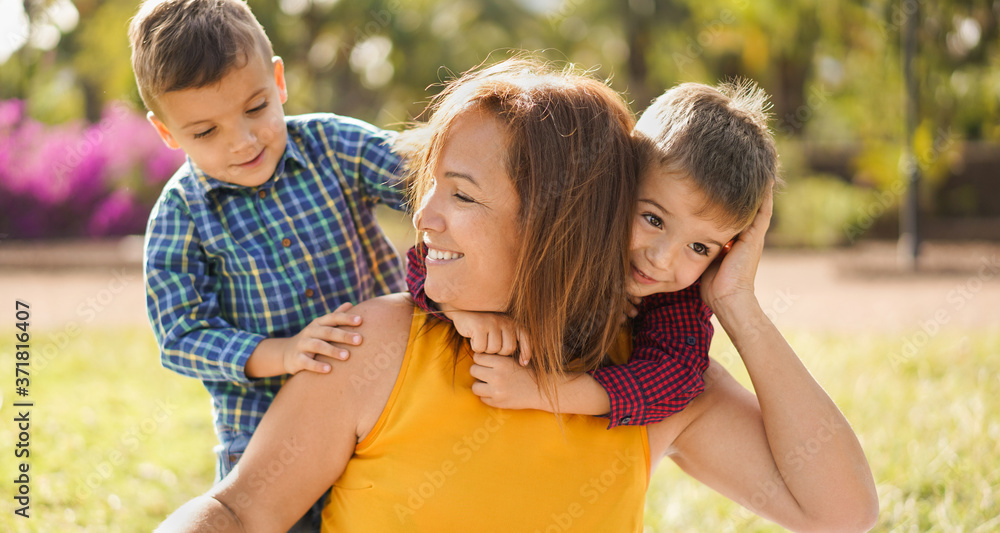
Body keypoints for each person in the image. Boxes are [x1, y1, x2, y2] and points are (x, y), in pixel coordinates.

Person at [157, 58, 878, 532]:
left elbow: (842, 514)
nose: (425, 215)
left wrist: (739, 305)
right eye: (431, 186)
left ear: (556, 219)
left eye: (462, 195)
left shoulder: (656, 384)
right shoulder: (377, 343)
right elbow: (238, 511)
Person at [130, 0, 406, 526]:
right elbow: (182, 336)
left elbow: (423, 183)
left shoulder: (332, 144)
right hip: (261, 433)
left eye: (255, 108)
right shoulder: (181, 214)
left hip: (380, 402)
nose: (243, 140)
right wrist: (283, 352)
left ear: (277, 81)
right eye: (205, 132)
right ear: (168, 133)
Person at [405, 81, 779, 428]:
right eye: (653, 218)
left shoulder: (675, 300)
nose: (662, 259)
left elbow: (675, 379)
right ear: (616, 185)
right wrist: (458, 310)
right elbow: (427, 259)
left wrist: (544, 391)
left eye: (699, 248)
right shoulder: (560, 234)